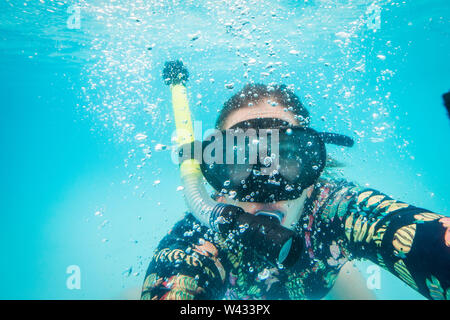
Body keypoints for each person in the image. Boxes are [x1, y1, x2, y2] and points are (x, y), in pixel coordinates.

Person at [141, 82, 450, 300]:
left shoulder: (336, 212)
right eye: (239, 159)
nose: (265, 185)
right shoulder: (203, 238)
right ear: (216, 175)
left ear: (313, 171)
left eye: (285, 157)